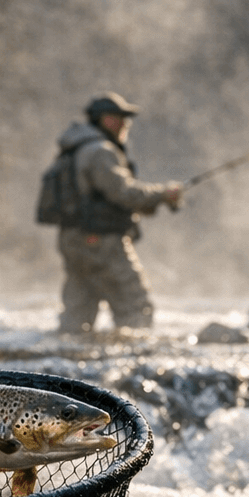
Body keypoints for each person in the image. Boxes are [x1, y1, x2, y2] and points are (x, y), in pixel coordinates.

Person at [49, 93, 183, 333]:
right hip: (101, 241)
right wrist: (164, 194)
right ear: (105, 120)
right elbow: (124, 193)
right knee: (135, 305)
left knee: (78, 312)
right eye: (120, 118)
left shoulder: (76, 148)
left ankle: (67, 356)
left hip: (73, 240)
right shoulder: (100, 151)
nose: (125, 124)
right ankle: (135, 360)